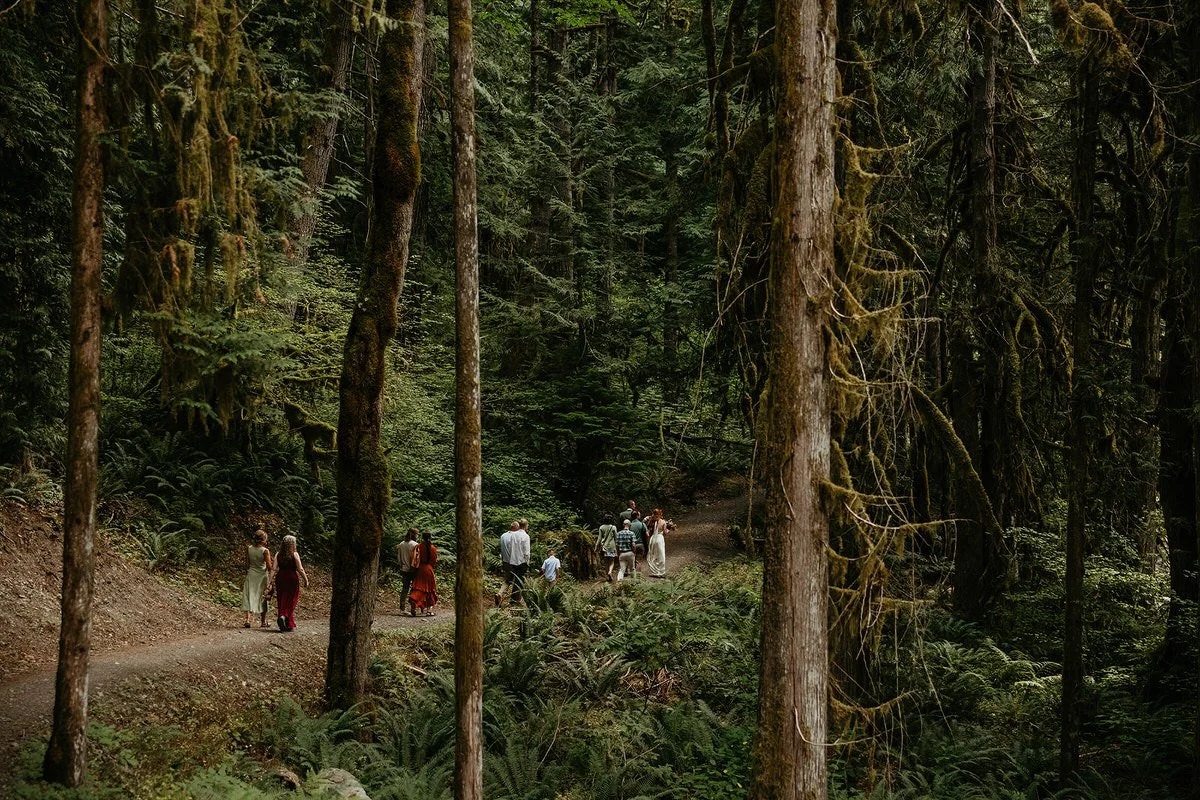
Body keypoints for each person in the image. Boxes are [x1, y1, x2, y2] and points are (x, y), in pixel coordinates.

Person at [273, 534, 310, 632]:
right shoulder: (294, 554)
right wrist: (306, 580)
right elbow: (300, 568)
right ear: (292, 544)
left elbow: (273, 568)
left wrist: (269, 581)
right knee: (291, 599)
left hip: (280, 578)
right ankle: (288, 621)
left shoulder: (278, 554)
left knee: (281, 599)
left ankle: (281, 615)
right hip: (291, 578)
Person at [241, 527, 273, 628]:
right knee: (262, 597)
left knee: (249, 595)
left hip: (251, 574)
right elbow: (269, 567)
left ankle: (248, 620)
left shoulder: (249, 548)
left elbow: (247, 563)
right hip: (262, 576)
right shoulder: (265, 551)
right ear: (263, 540)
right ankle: (263, 622)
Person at [496, 520, 531, 606]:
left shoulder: (511, 535)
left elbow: (509, 548)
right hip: (521, 562)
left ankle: (508, 597)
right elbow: (526, 552)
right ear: (525, 526)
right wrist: (527, 562)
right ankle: (514, 601)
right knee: (519, 582)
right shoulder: (525, 536)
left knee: (509, 579)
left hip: (510, 561)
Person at [409, 531, 438, 616]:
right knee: (430, 590)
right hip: (429, 570)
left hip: (419, 569)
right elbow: (434, 561)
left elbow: (414, 558)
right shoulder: (433, 548)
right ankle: (429, 610)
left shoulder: (418, 547)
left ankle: (414, 600)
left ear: (422, 538)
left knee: (419, 587)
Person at [397, 528, 419, 606]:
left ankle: (402, 606)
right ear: (414, 535)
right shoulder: (415, 545)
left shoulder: (401, 544)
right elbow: (416, 559)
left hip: (404, 569)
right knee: (414, 589)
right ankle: (412, 605)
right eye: (417, 534)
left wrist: (401, 566)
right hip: (413, 570)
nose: (418, 536)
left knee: (404, 588)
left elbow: (399, 558)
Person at [595, 514, 619, 582]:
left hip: (604, 547)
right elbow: (616, 538)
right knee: (612, 561)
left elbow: (599, 539)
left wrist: (596, 546)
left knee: (606, 562)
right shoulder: (613, 527)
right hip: (612, 547)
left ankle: (607, 576)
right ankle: (610, 572)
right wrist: (617, 547)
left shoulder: (601, 527)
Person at [647, 513, 669, 579]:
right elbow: (665, 533)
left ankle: (654, 571)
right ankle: (661, 571)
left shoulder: (651, 521)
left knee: (653, 555)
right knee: (661, 554)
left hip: (653, 539)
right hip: (659, 538)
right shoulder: (663, 522)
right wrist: (669, 529)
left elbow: (648, 531)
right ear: (660, 514)